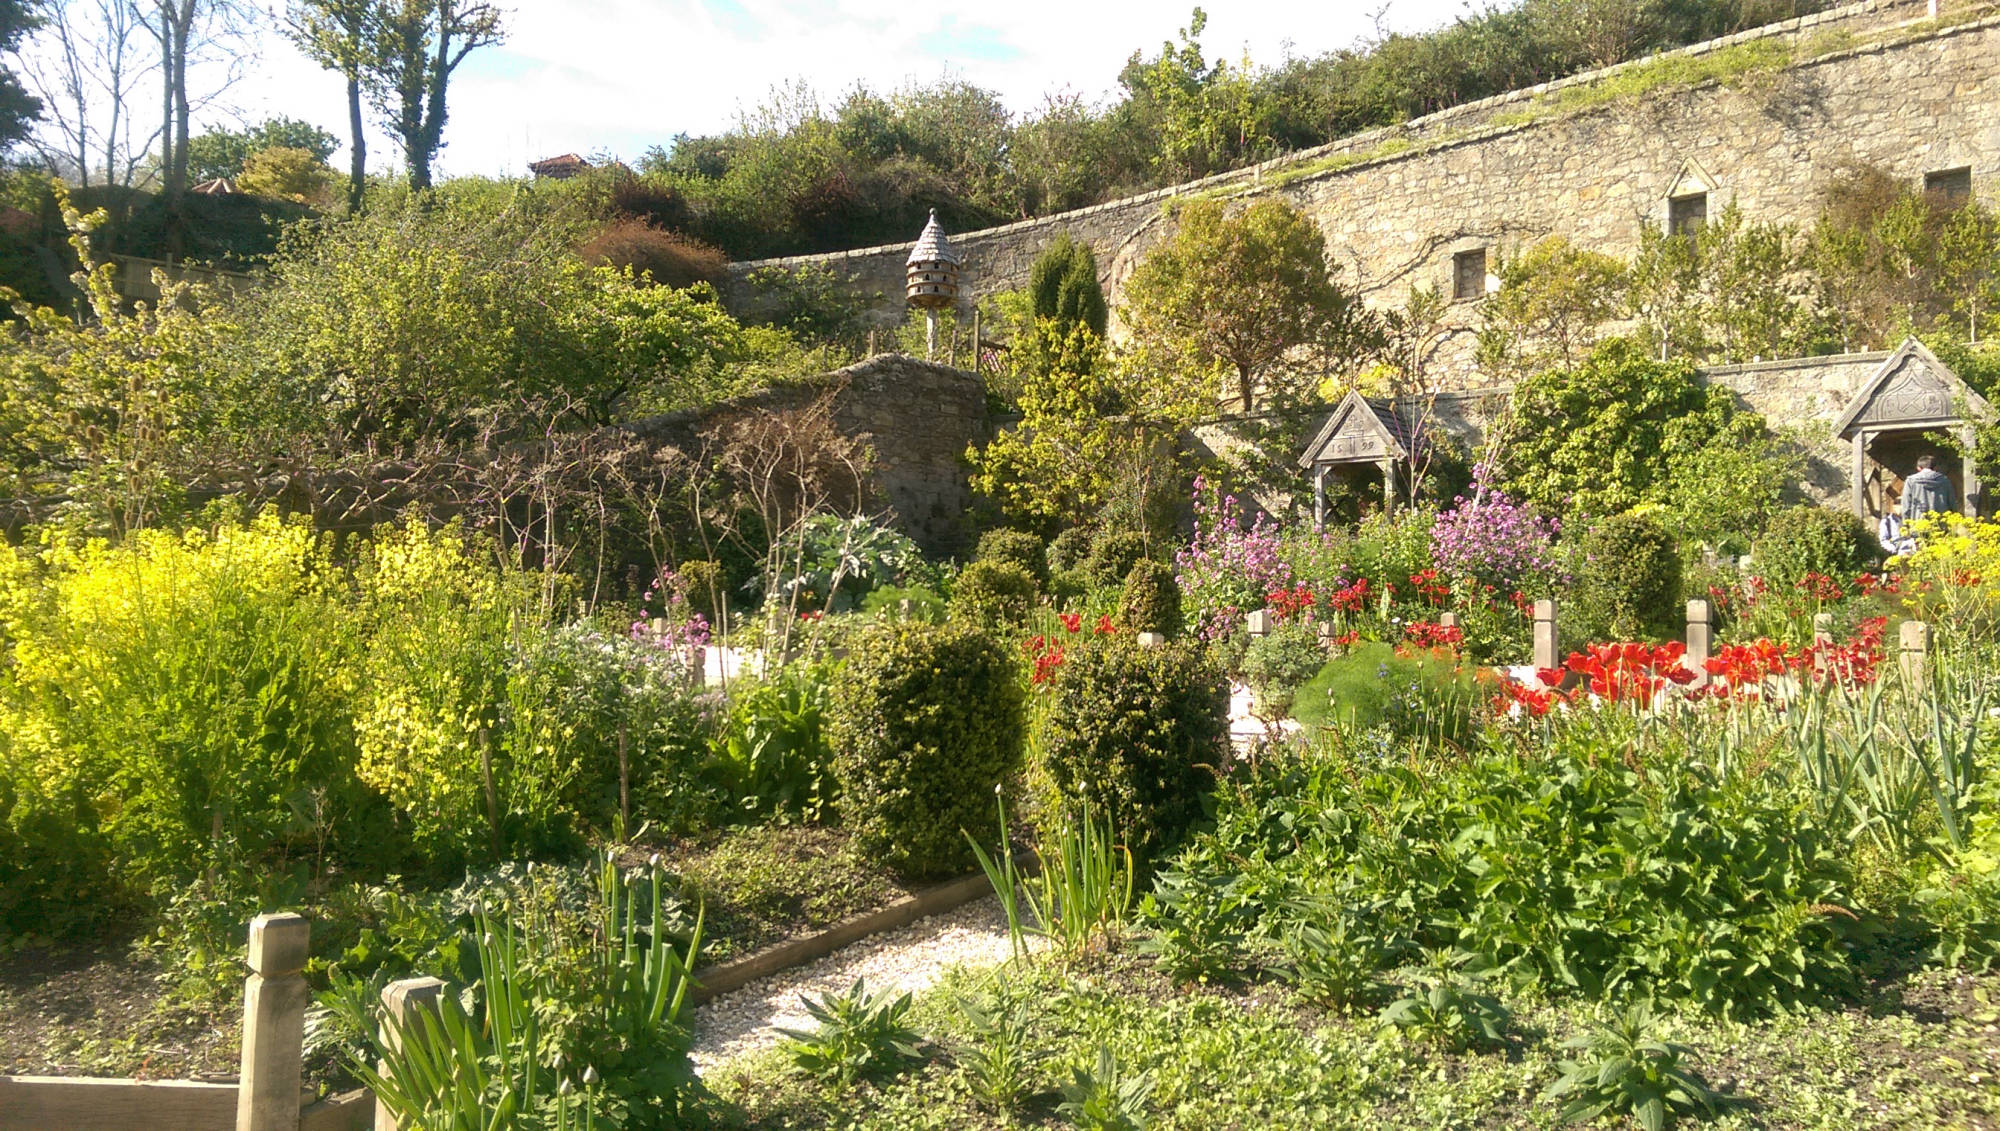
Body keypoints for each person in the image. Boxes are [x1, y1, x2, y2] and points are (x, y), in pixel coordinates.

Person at [1900, 454, 1957, 523]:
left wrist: (1906, 523)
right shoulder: (1945, 481)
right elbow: (1952, 503)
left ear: (1918, 468)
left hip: (1918, 523)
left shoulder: (1911, 481)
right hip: (1941, 522)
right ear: (1935, 468)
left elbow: (1906, 505)